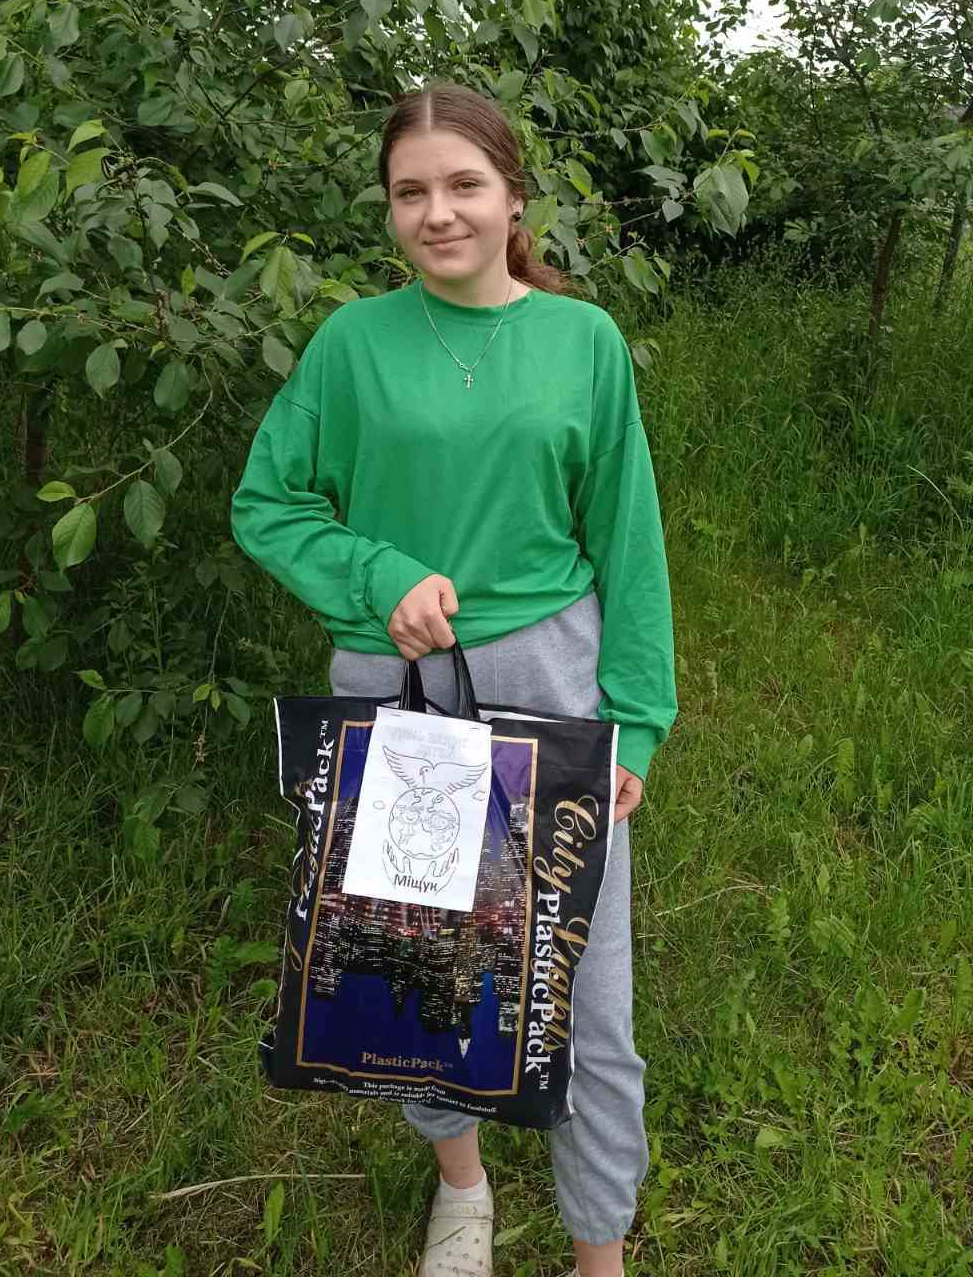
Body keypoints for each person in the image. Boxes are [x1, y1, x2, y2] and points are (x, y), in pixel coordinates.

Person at [230, 81, 677, 1277]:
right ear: (388, 207)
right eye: (410, 191)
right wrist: (378, 573)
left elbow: (628, 542)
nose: (438, 212)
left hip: (551, 686)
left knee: (582, 992)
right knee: (418, 964)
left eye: (464, 184)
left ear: (514, 194)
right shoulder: (350, 344)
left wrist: (636, 721)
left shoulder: (582, 343)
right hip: (398, 686)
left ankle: (598, 1252)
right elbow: (267, 503)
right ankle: (462, 1188)